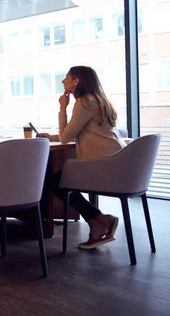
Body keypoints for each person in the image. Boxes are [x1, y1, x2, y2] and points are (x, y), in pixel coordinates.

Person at [41, 66, 125, 250]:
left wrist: (63, 108)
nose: (63, 81)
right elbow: (75, 132)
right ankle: (99, 222)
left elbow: (65, 138)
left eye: (66, 77)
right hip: (118, 164)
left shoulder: (84, 102)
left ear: (76, 81)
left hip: (104, 166)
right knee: (57, 179)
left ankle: (101, 220)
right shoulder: (98, 100)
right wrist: (52, 137)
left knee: (53, 181)